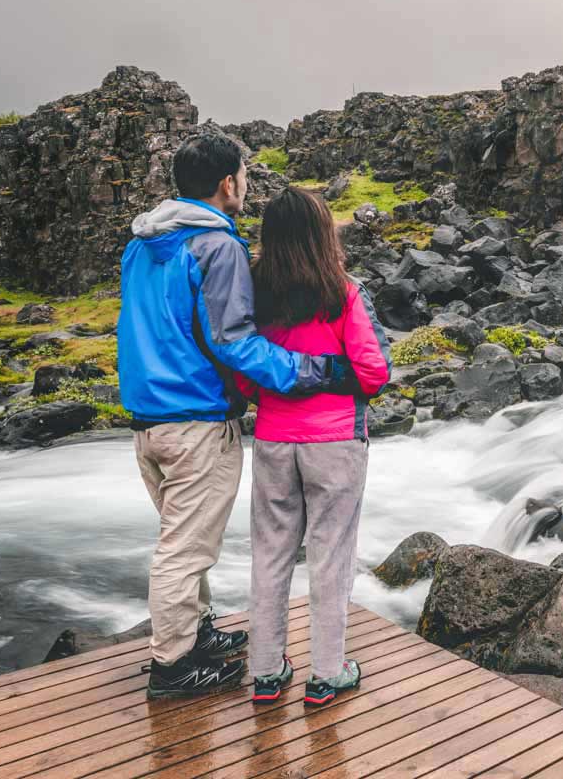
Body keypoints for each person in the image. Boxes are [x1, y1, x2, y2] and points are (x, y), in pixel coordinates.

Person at [118, 134, 353, 700]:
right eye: (244, 173)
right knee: (185, 549)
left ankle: (195, 634)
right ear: (228, 182)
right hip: (196, 419)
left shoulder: (142, 245)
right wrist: (317, 371)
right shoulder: (215, 248)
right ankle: (173, 667)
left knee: (181, 535)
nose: (246, 182)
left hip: (147, 420)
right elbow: (234, 343)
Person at [241, 186, 391, 707]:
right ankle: (327, 674)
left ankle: (265, 671)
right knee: (331, 557)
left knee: (270, 555)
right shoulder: (342, 291)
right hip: (335, 443)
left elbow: (243, 373)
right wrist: (332, 376)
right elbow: (374, 373)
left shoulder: (253, 294)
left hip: (274, 441)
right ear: (323, 233)